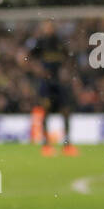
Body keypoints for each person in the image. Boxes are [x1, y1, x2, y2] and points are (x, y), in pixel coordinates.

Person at [21, 20, 76, 155]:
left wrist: (66, 72)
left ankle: (67, 144)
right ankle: (46, 145)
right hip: (46, 83)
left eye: (49, 26)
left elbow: (69, 58)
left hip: (59, 83)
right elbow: (26, 58)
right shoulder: (40, 43)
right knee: (45, 112)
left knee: (65, 111)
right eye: (45, 27)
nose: (47, 29)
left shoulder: (59, 42)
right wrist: (37, 70)